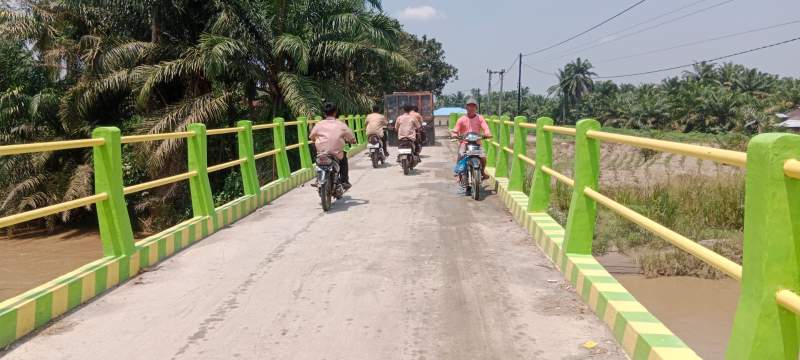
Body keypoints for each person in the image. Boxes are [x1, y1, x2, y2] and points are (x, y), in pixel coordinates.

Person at [309, 102, 357, 189]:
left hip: (321, 153)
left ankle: (318, 178)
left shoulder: (319, 124)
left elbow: (311, 136)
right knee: (344, 159)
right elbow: (351, 138)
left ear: (324, 113)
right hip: (336, 153)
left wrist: (316, 140)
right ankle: (344, 181)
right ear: (335, 112)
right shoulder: (341, 124)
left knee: (318, 160)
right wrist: (353, 141)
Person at [451, 98, 492, 180]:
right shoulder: (461, 119)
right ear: (466, 108)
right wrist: (454, 135)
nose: (471, 108)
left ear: (476, 108)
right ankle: (459, 173)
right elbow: (455, 130)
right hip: (465, 142)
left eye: (473, 106)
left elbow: (485, 128)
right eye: (469, 106)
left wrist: (487, 133)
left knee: (483, 158)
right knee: (461, 156)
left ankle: (482, 172)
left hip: (477, 143)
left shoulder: (480, 118)